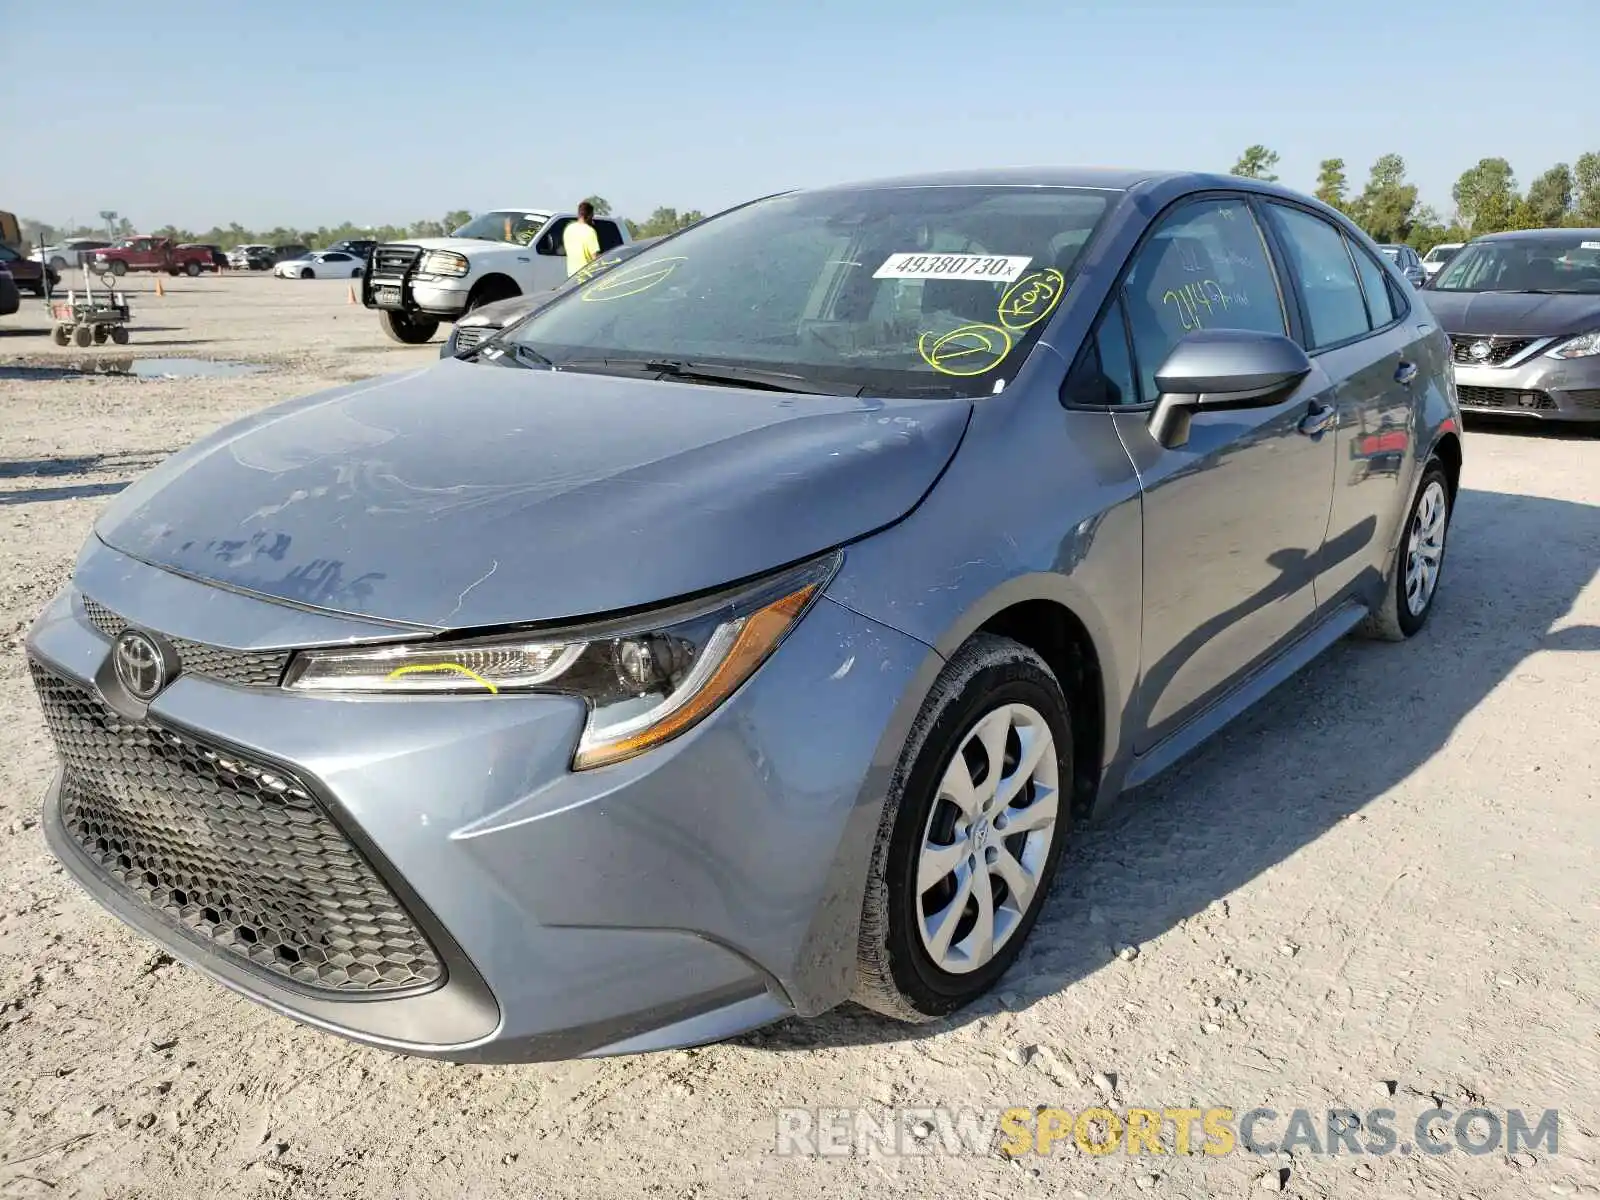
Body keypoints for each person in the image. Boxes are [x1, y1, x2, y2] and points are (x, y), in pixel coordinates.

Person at [562, 201, 601, 276]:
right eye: (592, 216)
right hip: (586, 277)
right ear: (589, 215)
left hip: (571, 277)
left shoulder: (568, 229)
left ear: (579, 214)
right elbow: (595, 258)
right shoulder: (590, 231)